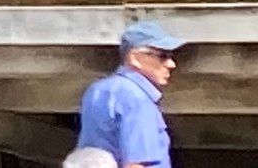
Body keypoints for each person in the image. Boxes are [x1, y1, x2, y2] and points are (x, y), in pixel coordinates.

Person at [78, 24, 183, 168]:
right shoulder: (137, 98)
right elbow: (137, 164)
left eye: (171, 56)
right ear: (135, 58)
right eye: (162, 56)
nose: (171, 64)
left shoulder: (97, 90)